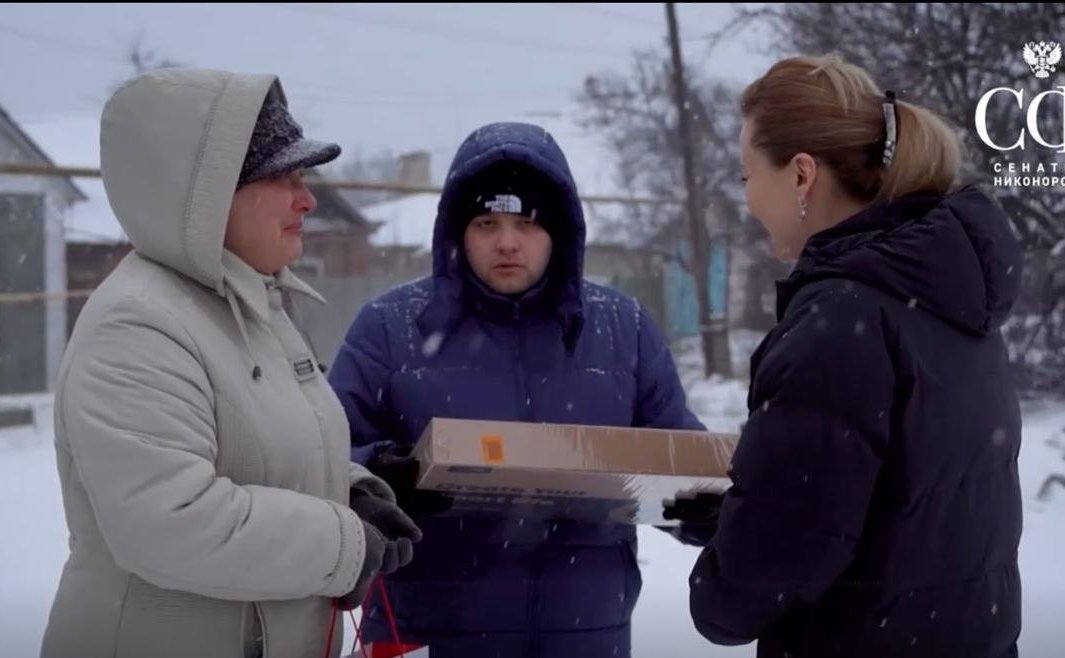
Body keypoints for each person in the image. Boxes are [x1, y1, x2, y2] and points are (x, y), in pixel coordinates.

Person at [40, 68, 421, 658]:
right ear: (206, 190)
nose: (309, 198)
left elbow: (258, 454)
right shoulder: (138, 326)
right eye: (285, 176)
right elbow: (171, 520)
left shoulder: (252, 305)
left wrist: (351, 495)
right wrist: (343, 543)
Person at [686, 53, 1024, 657]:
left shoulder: (841, 320)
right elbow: (903, 513)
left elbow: (756, 580)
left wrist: (720, 574)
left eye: (747, 175)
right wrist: (739, 510)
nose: (747, 200)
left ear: (801, 175)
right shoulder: (946, 299)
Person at [328, 121, 705, 656]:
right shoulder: (389, 329)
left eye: (527, 223)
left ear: (559, 232)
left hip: (585, 635)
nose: (507, 242)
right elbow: (321, 458)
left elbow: (677, 460)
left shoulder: (624, 330)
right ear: (458, 231)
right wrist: (381, 477)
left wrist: (712, 508)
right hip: (431, 634)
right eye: (487, 222)